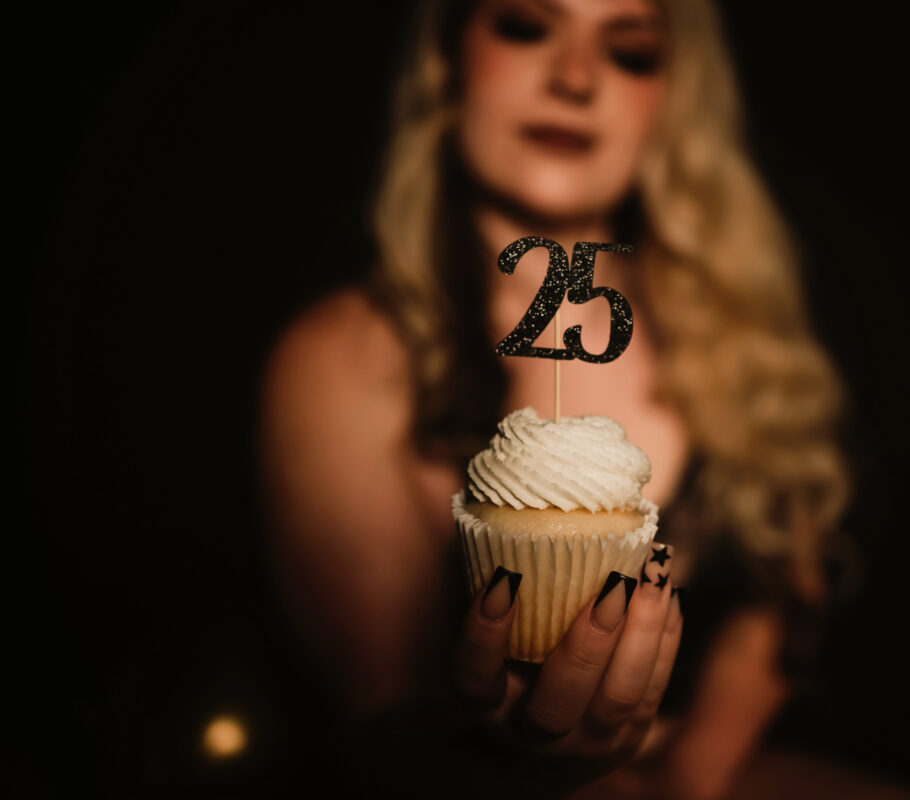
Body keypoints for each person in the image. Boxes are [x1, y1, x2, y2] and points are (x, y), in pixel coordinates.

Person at [260, 0, 851, 796]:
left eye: (630, 51)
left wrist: (684, 777)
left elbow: (786, 602)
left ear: (675, 97)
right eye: (526, 25)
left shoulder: (740, 337)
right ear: (446, 61)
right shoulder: (347, 357)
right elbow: (381, 738)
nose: (574, 78)